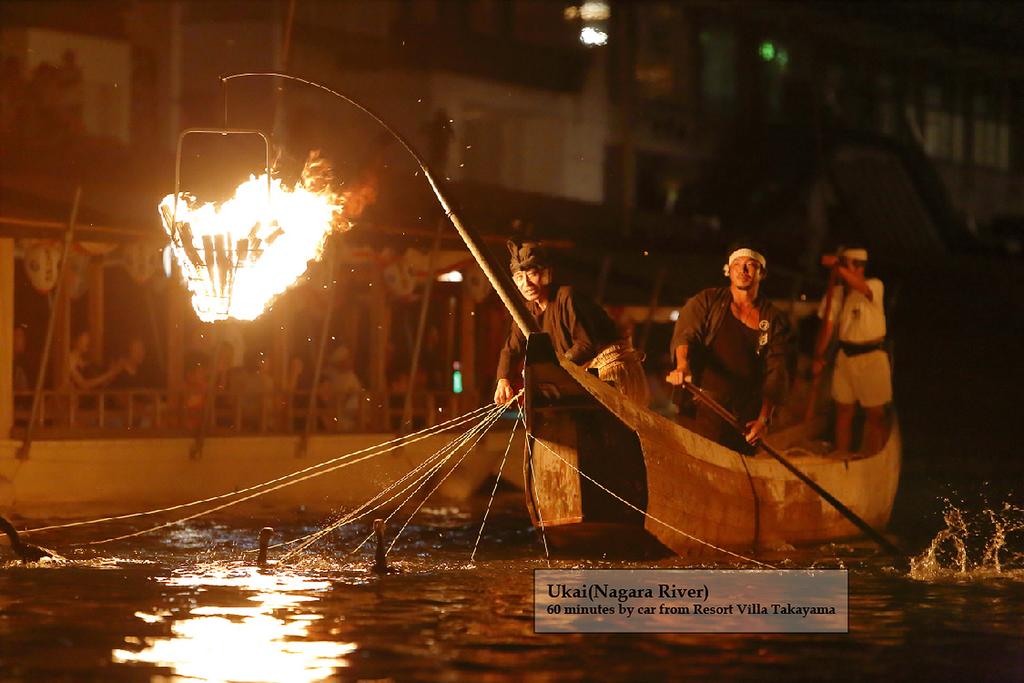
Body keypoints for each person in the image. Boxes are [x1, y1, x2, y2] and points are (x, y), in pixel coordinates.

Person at [665, 242, 791, 452]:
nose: (742, 271)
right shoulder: (707, 301)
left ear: (762, 272)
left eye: (750, 265)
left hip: (745, 417)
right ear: (728, 270)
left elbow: (777, 370)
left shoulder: (773, 319)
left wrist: (764, 420)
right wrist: (682, 366)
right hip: (703, 404)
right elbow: (686, 334)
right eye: (737, 264)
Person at [494, 240, 649, 406]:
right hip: (582, 376)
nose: (526, 284)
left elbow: (585, 345)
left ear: (546, 274)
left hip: (612, 371)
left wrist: (548, 371)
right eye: (519, 277)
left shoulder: (566, 297)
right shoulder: (526, 311)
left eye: (532, 274)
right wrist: (503, 379)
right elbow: (511, 349)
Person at [811, 246, 891, 455]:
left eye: (845, 265)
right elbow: (828, 327)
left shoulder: (874, 286)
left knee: (875, 415)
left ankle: (876, 456)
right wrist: (818, 357)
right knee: (844, 409)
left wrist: (837, 266)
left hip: (871, 358)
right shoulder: (836, 293)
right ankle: (842, 453)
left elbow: (861, 286)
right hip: (845, 357)